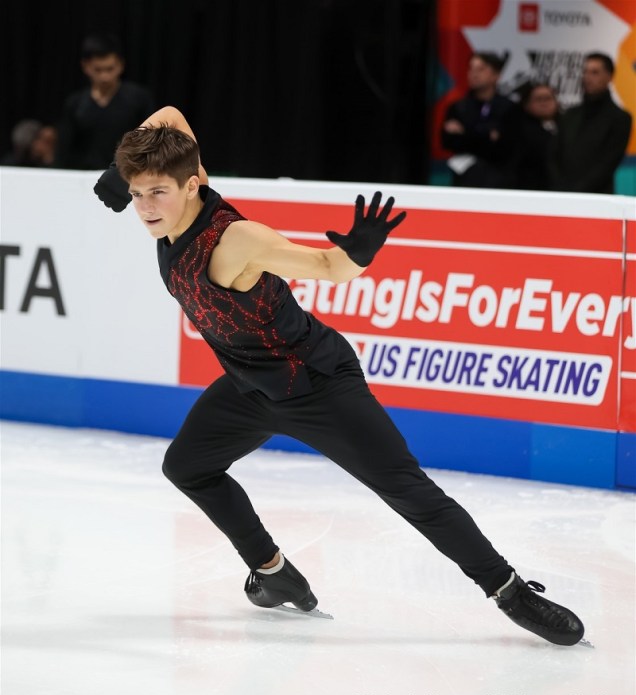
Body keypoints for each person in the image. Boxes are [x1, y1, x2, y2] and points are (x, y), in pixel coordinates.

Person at [94, 105, 585, 646]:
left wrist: (358, 254)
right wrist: (125, 171)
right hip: (250, 384)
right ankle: (273, 571)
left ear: (193, 185)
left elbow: (329, 267)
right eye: (137, 193)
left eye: (156, 192)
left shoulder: (239, 240)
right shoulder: (178, 186)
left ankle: (511, 591)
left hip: (315, 382)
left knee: (407, 490)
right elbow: (169, 116)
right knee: (187, 466)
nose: (144, 207)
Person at [55, 34, 154, 170]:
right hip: (83, 177)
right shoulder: (75, 104)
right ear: (85, 66)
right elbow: (64, 150)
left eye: (110, 69)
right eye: (98, 70)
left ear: (121, 65)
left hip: (127, 176)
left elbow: (150, 143)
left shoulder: (139, 99)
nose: (105, 76)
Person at [549, 52, 632, 194]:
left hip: (597, 198)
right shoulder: (569, 114)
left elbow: (608, 163)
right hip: (561, 194)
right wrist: (559, 186)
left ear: (609, 77)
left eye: (595, 72)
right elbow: (553, 154)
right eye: (585, 71)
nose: (587, 77)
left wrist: (578, 191)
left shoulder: (620, 118)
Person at [441, 53, 520, 189]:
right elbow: (448, 141)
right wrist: (487, 135)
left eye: (481, 69)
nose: (474, 74)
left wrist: (465, 132)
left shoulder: (510, 108)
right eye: (471, 69)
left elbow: (505, 147)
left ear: (496, 75)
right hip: (465, 179)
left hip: (500, 180)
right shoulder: (458, 107)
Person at [514, 83, 559, 191]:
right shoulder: (520, 131)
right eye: (539, 99)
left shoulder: (567, 126)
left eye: (548, 98)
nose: (544, 103)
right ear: (527, 104)